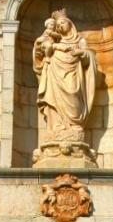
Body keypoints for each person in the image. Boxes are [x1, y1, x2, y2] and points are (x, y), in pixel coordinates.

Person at [33, 9, 96, 145]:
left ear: (70, 24)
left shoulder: (80, 41)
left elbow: (89, 58)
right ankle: (56, 127)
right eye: (58, 24)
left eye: (63, 22)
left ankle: (74, 126)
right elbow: (40, 52)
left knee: (74, 96)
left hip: (73, 74)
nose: (60, 26)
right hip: (54, 73)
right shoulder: (53, 40)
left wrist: (80, 53)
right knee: (53, 99)